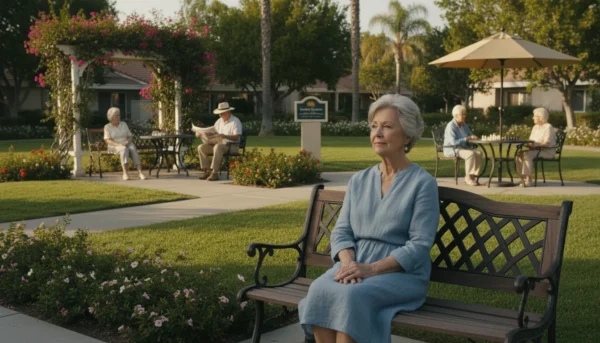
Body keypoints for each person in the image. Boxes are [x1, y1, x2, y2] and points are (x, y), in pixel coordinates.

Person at [298, 94, 440, 343]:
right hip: (355, 265)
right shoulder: (359, 180)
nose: (378, 133)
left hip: (401, 274)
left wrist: (370, 269)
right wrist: (349, 265)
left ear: (407, 135)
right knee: (320, 289)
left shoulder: (423, 183)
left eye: (387, 126)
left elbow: (419, 245)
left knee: (352, 296)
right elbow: (341, 232)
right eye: (374, 126)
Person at [197, 102, 243, 181]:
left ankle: (215, 173)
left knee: (218, 147)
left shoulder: (235, 121)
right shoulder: (219, 121)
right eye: (220, 114)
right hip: (218, 144)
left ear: (228, 112)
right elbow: (214, 132)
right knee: (201, 147)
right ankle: (207, 171)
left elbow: (237, 137)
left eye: (222, 113)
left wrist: (225, 136)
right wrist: (205, 134)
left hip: (231, 146)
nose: (221, 115)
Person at [516, 107, 556, 187]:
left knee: (527, 155)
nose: (533, 117)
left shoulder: (548, 127)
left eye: (535, 116)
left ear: (541, 117)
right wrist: (529, 144)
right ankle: (522, 178)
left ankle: (529, 179)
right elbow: (531, 141)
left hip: (547, 151)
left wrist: (535, 145)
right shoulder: (535, 127)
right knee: (519, 155)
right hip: (536, 150)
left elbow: (547, 143)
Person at [443, 105, 483, 186]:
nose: (465, 116)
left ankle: (472, 176)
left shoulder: (464, 124)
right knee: (470, 154)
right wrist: (466, 139)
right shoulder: (451, 126)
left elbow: (470, 134)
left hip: (463, 148)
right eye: (463, 114)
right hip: (452, 149)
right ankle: (468, 177)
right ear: (456, 115)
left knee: (479, 153)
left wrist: (473, 137)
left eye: (465, 114)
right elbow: (453, 142)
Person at [103, 107, 146, 181]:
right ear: (112, 117)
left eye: (119, 115)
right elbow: (107, 140)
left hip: (126, 143)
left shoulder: (123, 124)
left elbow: (130, 136)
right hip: (114, 145)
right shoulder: (107, 127)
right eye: (117, 115)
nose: (119, 117)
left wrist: (127, 142)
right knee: (123, 149)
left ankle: (140, 172)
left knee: (132, 148)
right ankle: (125, 173)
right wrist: (118, 145)